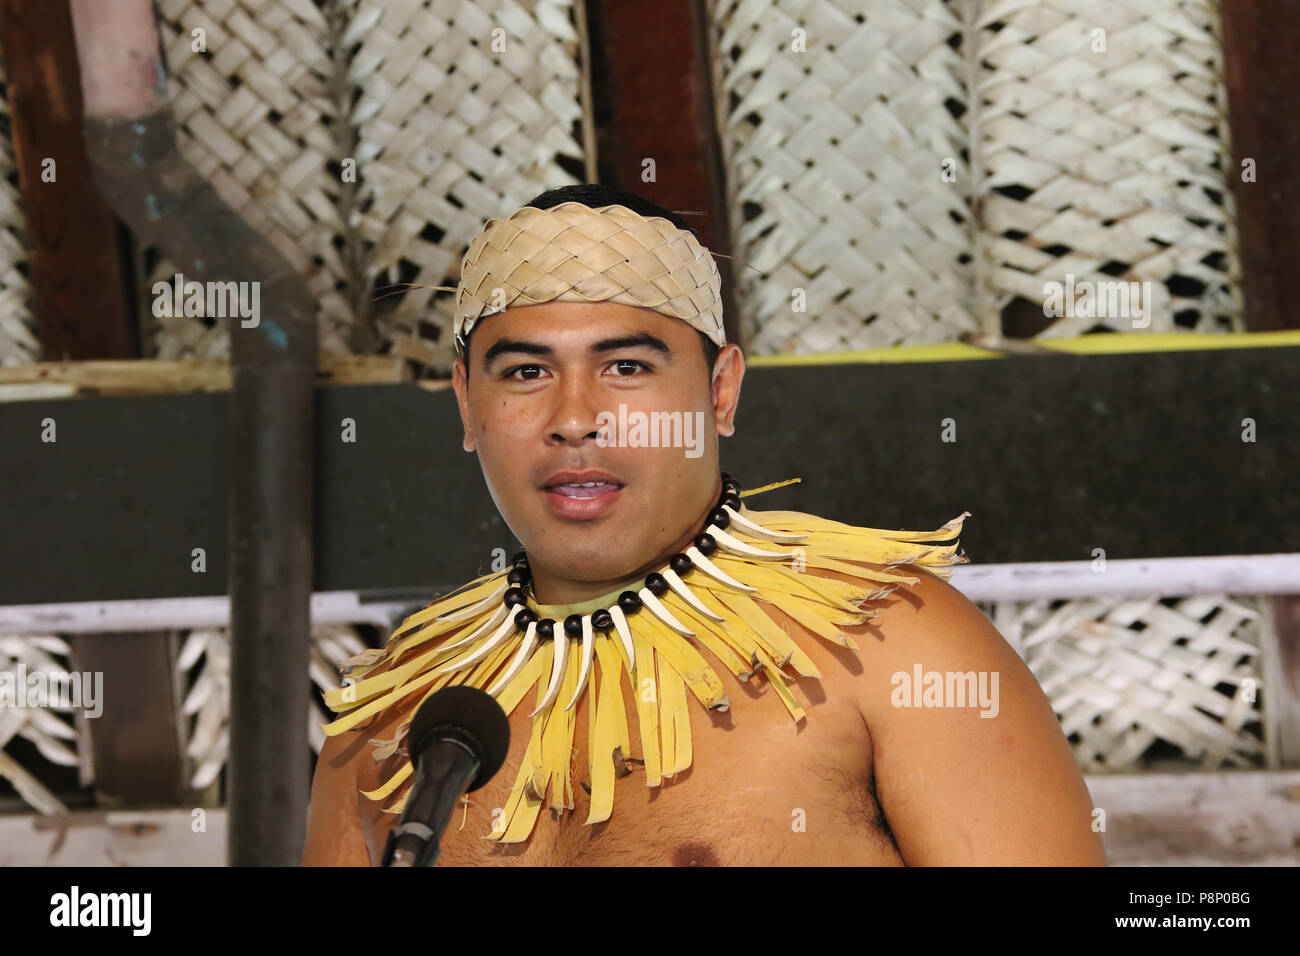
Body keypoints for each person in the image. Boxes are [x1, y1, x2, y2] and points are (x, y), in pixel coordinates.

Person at [302, 184, 1106, 866]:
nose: (575, 418)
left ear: (720, 392)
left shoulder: (891, 646)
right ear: (468, 404)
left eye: (626, 367)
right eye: (525, 372)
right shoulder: (389, 722)